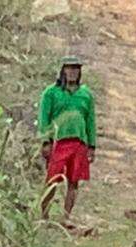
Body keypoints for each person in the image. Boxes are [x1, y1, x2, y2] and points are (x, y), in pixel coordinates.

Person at [38, 55, 97, 220]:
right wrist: (45, 141)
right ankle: (44, 216)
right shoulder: (51, 93)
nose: (72, 72)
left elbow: (90, 121)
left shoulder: (86, 94)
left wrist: (91, 146)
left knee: (73, 181)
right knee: (52, 180)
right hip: (58, 142)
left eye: (76, 69)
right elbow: (44, 118)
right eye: (69, 68)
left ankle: (66, 217)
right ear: (62, 70)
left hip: (79, 143)